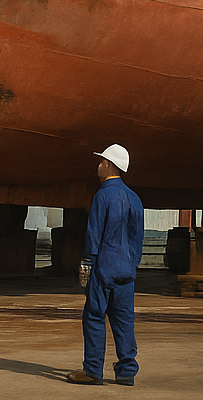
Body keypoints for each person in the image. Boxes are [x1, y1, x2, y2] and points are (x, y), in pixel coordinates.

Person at [67, 144, 143, 386]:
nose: (98, 166)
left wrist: (86, 265)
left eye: (101, 162)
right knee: (124, 320)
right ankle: (127, 371)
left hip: (103, 268)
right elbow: (137, 238)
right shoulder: (135, 198)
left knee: (94, 317)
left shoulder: (103, 196)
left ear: (109, 165)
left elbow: (94, 234)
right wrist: (132, 266)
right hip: (126, 271)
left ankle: (92, 370)